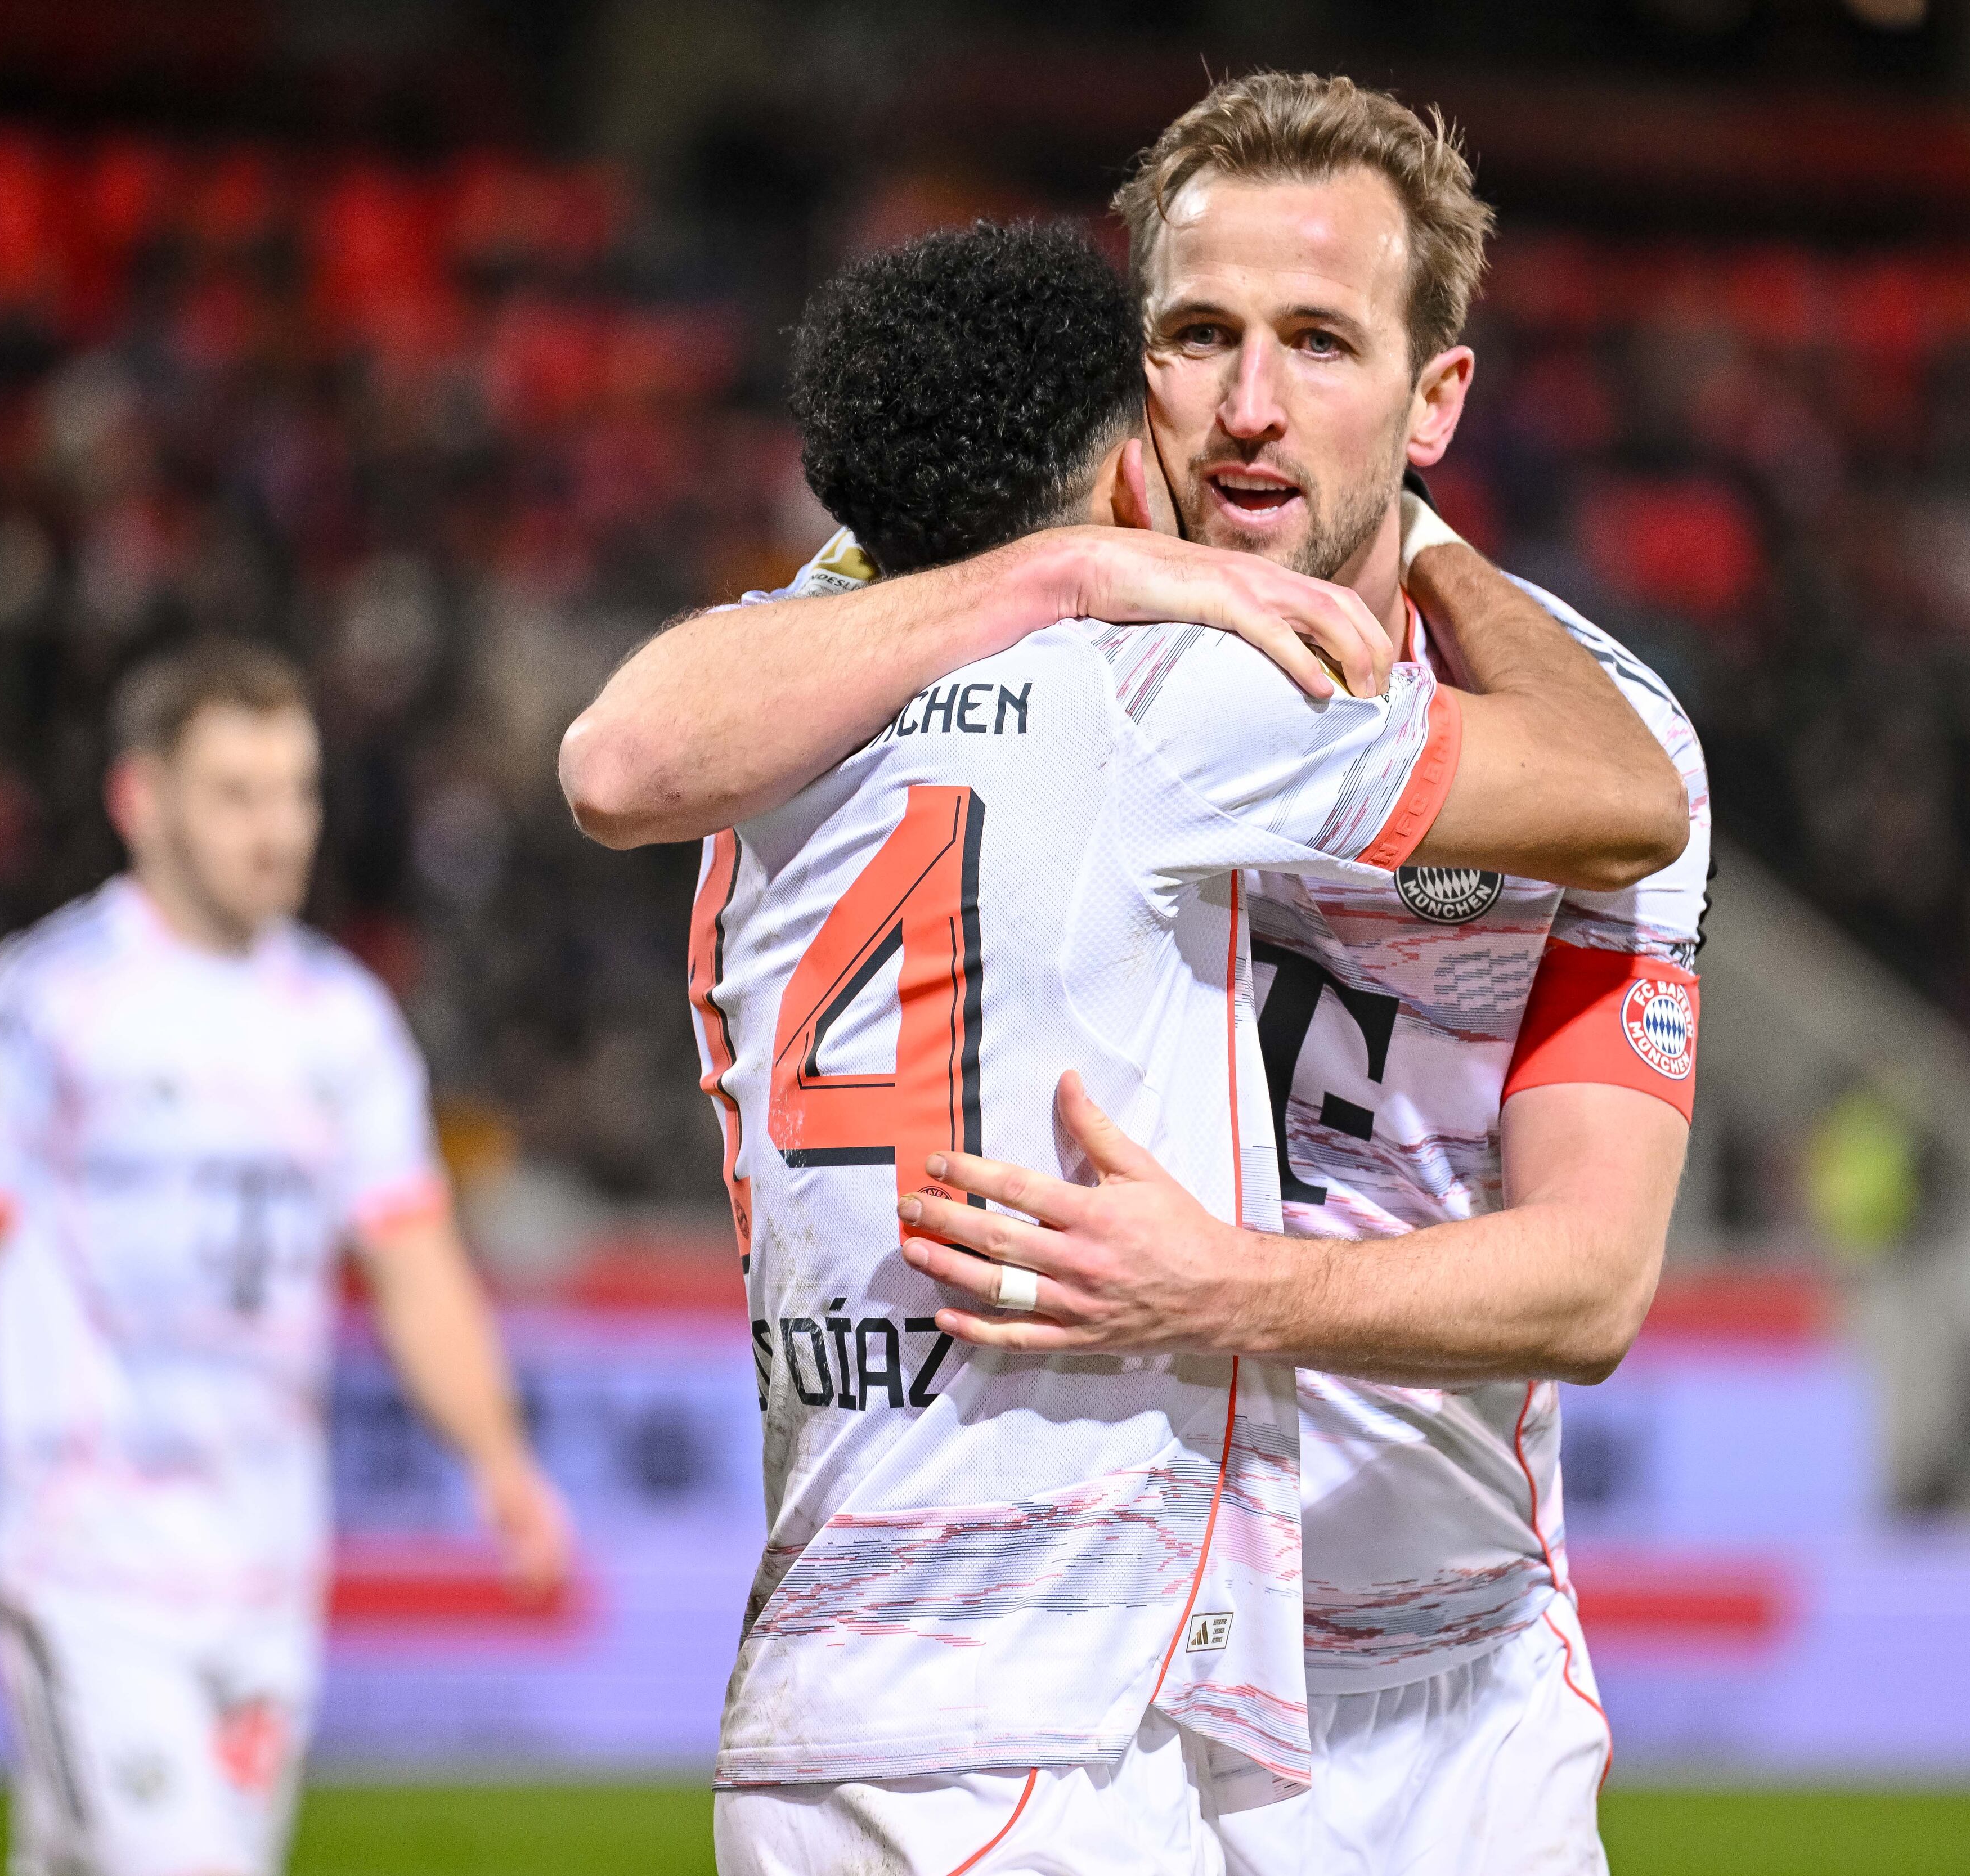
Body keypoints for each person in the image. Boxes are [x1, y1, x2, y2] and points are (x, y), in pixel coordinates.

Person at [566, 74, 1707, 1873]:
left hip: (1431, 1691)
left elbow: (1594, 1275)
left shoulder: (1598, 736)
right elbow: (631, 748)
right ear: (1132, 369)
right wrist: (1062, 570)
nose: (1251, 406)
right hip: (1112, 1678)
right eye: (1198, 336)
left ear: (1433, 399)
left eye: (1320, 342)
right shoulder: (991, 618)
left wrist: (1229, 1287)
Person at [0, 644, 571, 1876]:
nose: (279, 829)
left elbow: (415, 1269)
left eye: (296, 791)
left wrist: (502, 1464)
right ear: (140, 800)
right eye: (237, 794)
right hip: (89, 1569)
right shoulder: (38, 1007)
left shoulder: (344, 1022)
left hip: (268, 1579)